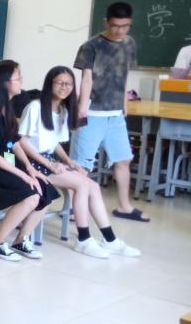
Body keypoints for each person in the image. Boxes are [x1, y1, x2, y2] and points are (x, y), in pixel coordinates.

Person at [17, 67, 140, 259]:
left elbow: (54, 142)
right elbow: (21, 141)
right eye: (59, 83)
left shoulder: (63, 111)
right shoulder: (35, 107)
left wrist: (69, 161)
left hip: (48, 160)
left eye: (69, 84)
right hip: (30, 162)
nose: (64, 87)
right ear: (50, 84)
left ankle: (110, 240)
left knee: (93, 186)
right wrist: (50, 164)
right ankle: (83, 239)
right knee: (82, 185)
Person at [0, 61, 57, 261]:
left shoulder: (8, 108)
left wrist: (30, 169)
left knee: (45, 189)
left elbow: (13, 142)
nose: (21, 81)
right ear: (5, 83)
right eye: (18, 78)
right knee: (31, 195)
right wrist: (23, 174)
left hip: (5, 165)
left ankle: (21, 239)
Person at [72, 1, 148, 222]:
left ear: (130, 23)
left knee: (123, 160)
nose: (119, 31)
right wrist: (82, 109)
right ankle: (74, 210)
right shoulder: (91, 46)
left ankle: (125, 207)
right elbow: (86, 79)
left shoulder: (129, 44)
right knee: (81, 166)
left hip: (115, 115)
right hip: (93, 114)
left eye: (125, 26)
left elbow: (123, 75)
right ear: (106, 22)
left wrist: (124, 103)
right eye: (115, 25)